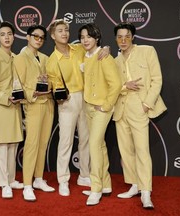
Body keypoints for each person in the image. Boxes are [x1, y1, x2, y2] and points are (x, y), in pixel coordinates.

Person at [46, 19, 109, 196]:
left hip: (88, 97)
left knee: (86, 139)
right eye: (60, 31)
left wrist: (106, 49)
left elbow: (96, 52)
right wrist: (58, 97)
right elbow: (55, 86)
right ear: (53, 35)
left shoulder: (80, 48)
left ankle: (84, 174)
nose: (64, 33)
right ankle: (63, 180)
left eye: (66, 30)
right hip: (67, 100)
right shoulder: (52, 61)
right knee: (65, 141)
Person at [113, 22, 167, 209]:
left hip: (139, 106)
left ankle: (146, 191)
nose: (123, 40)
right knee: (126, 151)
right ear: (116, 39)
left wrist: (146, 104)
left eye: (127, 36)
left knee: (142, 150)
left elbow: (157, 79)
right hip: (121, 108)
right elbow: (112, 87)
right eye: (119, 37)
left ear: (133, 37)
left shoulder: (147, 50)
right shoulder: (115, 60)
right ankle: (134, 185)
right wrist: (123, 87)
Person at [77, 23, 122, 205]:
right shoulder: (85, 56)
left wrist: (106, 105)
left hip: (101, 108)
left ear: (96, 38)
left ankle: (96, 188)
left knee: (94, 145)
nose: (85, 40)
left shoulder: (105, 57)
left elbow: (116, 84)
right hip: (88, 106)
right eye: (82, 37)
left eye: (89, 36)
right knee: (100, 146)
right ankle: (105, 184)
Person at [13, 24, 55, 202]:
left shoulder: (45, 58)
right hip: (33, 105)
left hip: (48, 104)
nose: (38, 40)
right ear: (27, 37)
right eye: (35, 36)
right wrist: (32, 94)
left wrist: (49, 88)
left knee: (43, 143)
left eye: (41, 38)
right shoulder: (20, 58)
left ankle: (38, 179)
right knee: (31, 145)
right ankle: (27, 184)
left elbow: (53, 80)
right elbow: (17, 84)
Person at [0, 21, 24, 199]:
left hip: (15, 104)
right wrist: (4, 97)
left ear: (14, 36)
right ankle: (3, 183)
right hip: (0, 106)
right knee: (2, 144)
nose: (7, 37)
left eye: (9, 34)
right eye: (3, 35)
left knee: (14, 143)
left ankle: (11, 178)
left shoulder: (15, 57)